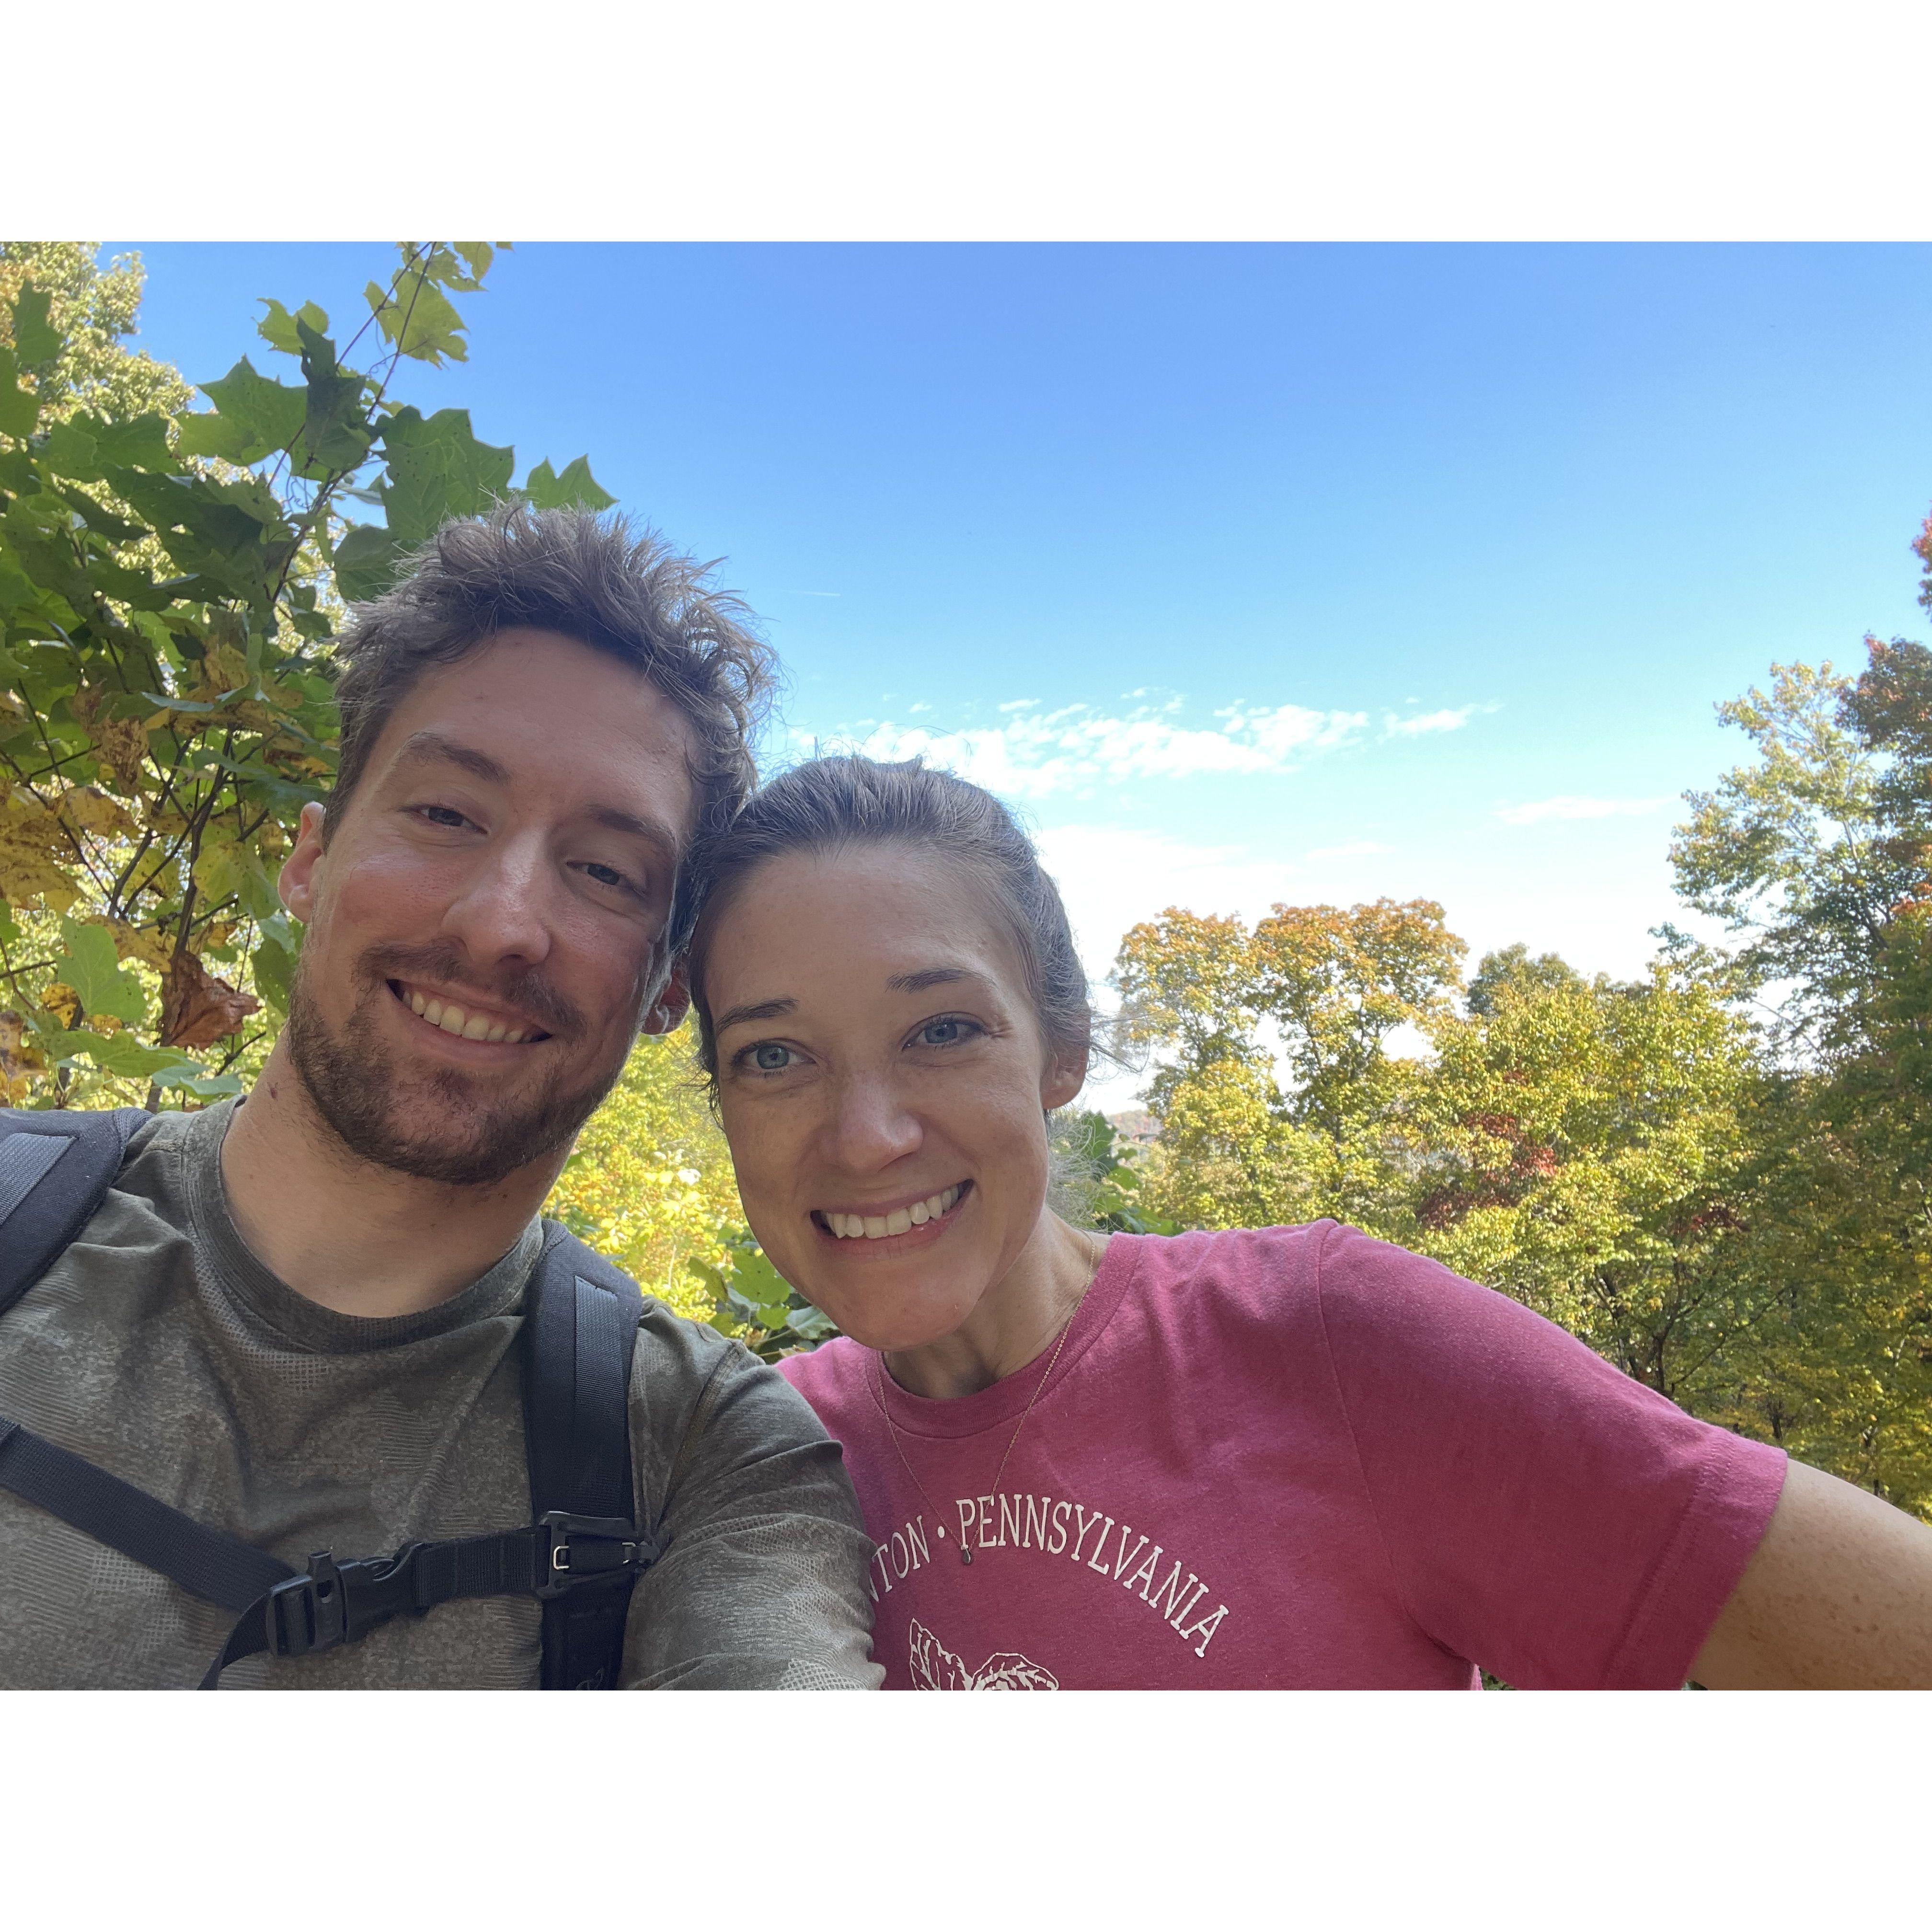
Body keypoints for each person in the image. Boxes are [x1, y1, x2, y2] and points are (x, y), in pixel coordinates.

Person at [676, 752, 1932, 1690]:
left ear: (1063, 1050)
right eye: (776, 1055)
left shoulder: (1328, 1341)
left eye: (943, 1029)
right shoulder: (755, 1469)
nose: (866, 1135)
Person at [0, 506, 881, 1690]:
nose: (504, 922)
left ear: (668, 989)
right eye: (446, 815)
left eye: (606, 873)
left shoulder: (702, 1464)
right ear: (309, 862)